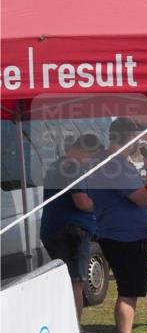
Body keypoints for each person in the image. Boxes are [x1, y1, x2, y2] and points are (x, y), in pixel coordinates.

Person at [88, 118, 147, 333]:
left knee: (129, 290)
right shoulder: (113, 164)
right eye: (136, 139)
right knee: (128, 291)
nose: (138, 144)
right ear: (125, 137)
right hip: (123, 236)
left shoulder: (108, 162)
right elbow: (142, 199)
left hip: (118, 233)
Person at [40, 133, 102, 318]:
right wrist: (102, 206)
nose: (92, 161)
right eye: (93, 156)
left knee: (66, 281)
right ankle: (76, 331)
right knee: (76, 282)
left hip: (54, 228)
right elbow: (82, 202)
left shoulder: (56, 166)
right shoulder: (72, 168)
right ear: (85, 151)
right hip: (72, 231)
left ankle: (69, 327)